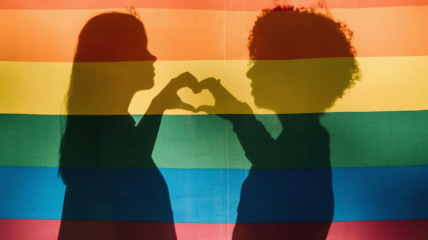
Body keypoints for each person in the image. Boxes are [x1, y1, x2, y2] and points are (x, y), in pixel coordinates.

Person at [197, 6, 361, 240]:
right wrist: (237, 114)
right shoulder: (304, 140)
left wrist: (238, 114)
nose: (250, 74)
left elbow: (275, 165)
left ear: (295, 71)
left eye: (262, 63)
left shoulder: (310, 141)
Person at [58, 12, 200, 240]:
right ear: (112, 61)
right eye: (140, 47)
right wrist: (159, 104)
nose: (152, 57)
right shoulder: (108, 151)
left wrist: (160, 103)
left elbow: (131, 154)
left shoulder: (102, 145)